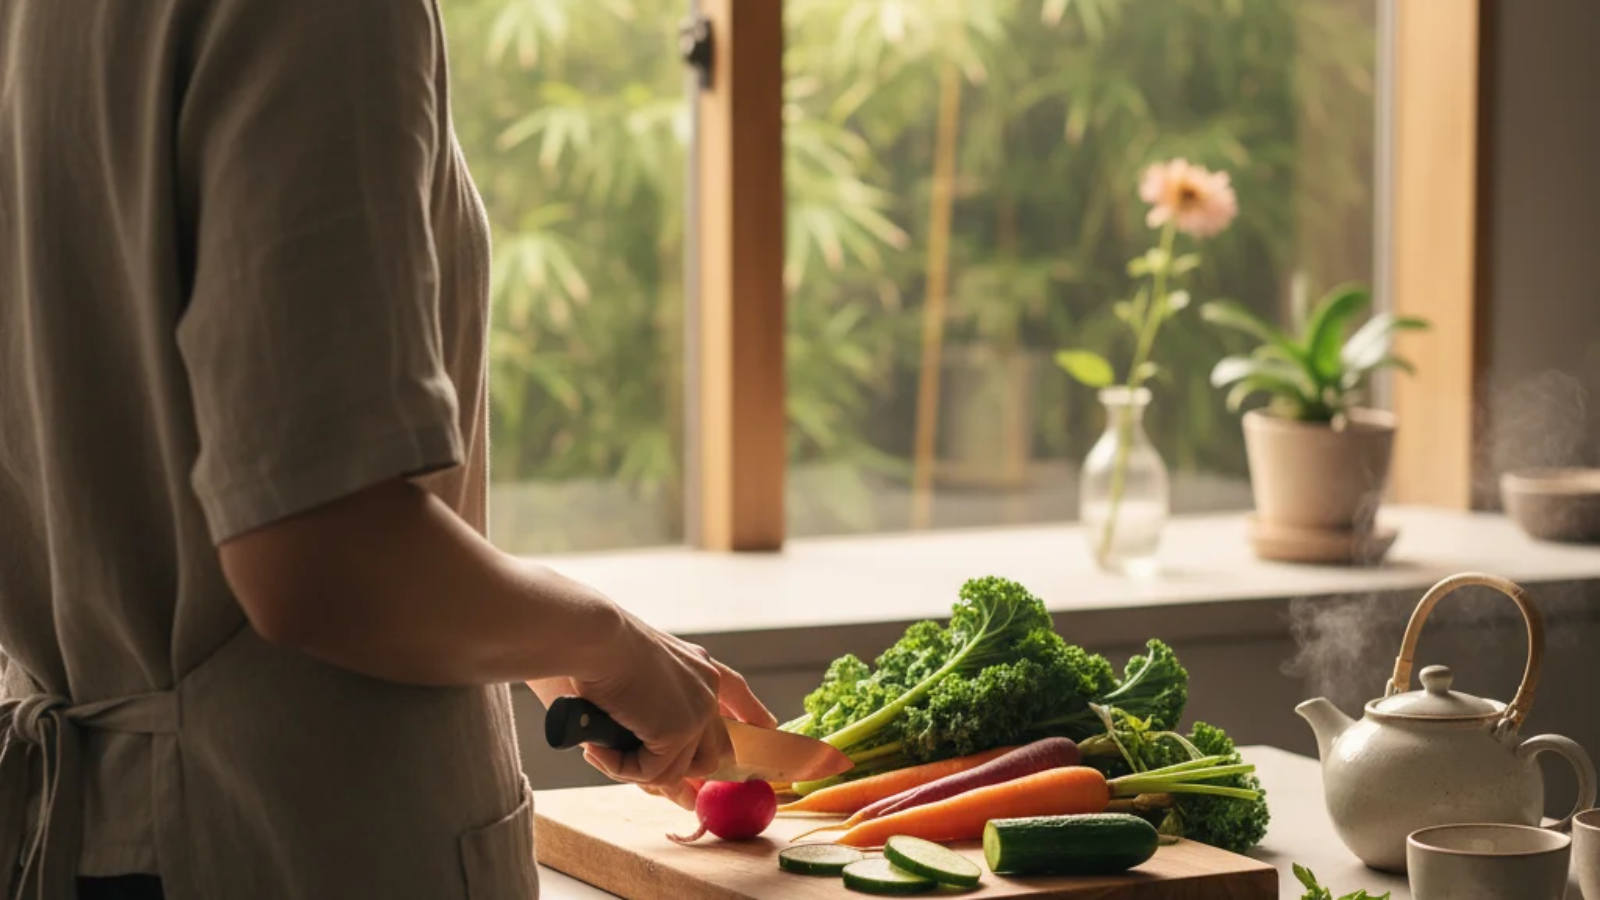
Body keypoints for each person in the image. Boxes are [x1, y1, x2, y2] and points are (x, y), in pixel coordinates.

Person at [0, 0, 773, 897]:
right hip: (286, 840)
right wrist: (608, 641)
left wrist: (516, 636)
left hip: (86, 838)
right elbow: (323, 558)